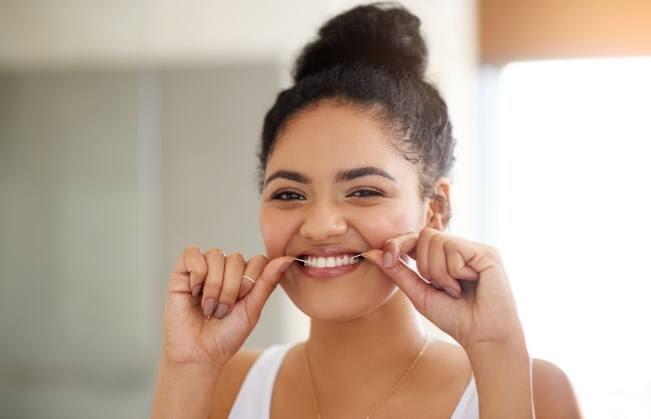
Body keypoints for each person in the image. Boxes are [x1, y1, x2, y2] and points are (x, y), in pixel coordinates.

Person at [151, 2, 583, 418]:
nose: (321, 226)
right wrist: (186, 369)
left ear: (435, 208)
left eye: (362, 191)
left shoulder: (532, 389)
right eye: (289, 194)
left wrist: (495, 351)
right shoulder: (224, 384)